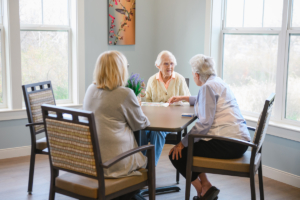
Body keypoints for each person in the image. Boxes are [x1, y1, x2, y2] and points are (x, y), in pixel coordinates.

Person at [168, 54, 251, 200]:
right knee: (194, 144)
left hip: (229, 144)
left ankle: (203, 192)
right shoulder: (217, 82)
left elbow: (204, 124)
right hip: (240, 140)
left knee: (177, 154)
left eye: (193, 74)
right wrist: (184, 97)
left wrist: (181, 143)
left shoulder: (207, 88)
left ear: (197, 75)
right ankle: (206, 185)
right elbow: (207, 101)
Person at [83, 50, 150, 179]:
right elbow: (140, 124)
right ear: (120, 70)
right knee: (150, 142)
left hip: (91, 159)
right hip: (115, 161)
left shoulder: (90, 89)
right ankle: (134, 191)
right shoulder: (124, 93)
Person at [142, 50, 191, 166]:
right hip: (153, 120)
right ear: (158, 65)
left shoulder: (179, 79)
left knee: (157, 132)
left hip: (172, 121)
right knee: (139, 130)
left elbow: (188, 102)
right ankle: (141, 165)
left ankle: (150, 169)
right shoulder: (152, 80)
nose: (170, 67)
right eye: (166, 64)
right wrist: (141, 96)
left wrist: (178, 101)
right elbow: (146, 102)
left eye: (172, 63)